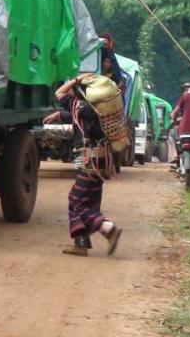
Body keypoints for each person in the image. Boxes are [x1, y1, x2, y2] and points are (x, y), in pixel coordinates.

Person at [44, 74, 123, 257]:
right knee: (91, 203)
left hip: (90, 160)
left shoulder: (80, 106)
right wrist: (59, 115)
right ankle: (81, 242)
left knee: (75, 200)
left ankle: (108, 228)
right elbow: (76, 116)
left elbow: (59, 94)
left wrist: (77, 79)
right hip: (103, 160)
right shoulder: (100, 109)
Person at [170, 82, 190, 165]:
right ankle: (175, 155)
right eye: (185, 90)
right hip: (183, 126)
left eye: (188, 90)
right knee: (172, 133)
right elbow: (174, 113)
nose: (186, 91)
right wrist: (173, 119)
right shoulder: (182, 101)